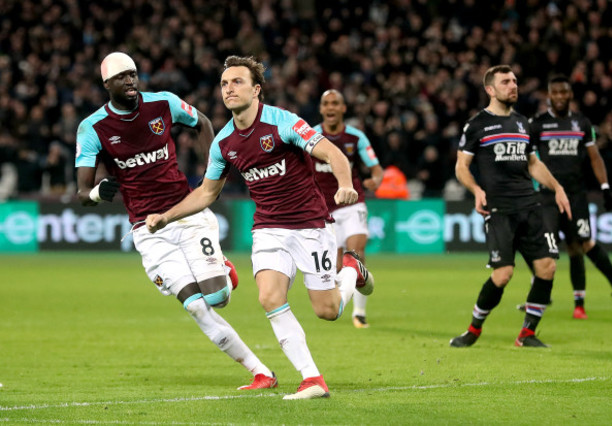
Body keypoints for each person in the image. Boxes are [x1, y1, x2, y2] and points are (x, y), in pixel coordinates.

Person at [145, 56, 374, 400]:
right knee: (269, 298)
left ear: (256, 89)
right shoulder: (223, 143)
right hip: (268, 228)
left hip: (311, 225)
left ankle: (351, 270)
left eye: (237, 82)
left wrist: (344, 183)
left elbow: (333, 154)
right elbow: (207, 192)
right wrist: (166, 216)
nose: (229, 89)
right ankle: (312, 379)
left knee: (326, 311)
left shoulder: (284, 123)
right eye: (224, 84)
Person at [75, 52, 277, 391]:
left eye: (134, 74)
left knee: (218, 298)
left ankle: (224, 270)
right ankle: (261, 372)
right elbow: (81, 191)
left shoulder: (164, 104)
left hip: (187, 214)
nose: (130, 81)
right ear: (106, 84)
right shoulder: (93, 127)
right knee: (196, 307)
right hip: (148, 229)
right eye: (122, 77)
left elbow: (203, 123)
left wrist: (215, 171)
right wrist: (96, 193)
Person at [450, 65, 571, 348]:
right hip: (500, 209)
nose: (513, 85)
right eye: (506, 82)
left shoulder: (522, 123)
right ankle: (474, 329)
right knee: (503, 274)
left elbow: (533, 163)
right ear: (490, 89)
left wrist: (557, 187)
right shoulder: (477, 125)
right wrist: (476, 189)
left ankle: (527, 333)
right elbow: (461, 166)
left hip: (530, 205)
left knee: (547, 268)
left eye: (515, 80)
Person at [529, 75, 612, 318]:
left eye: (565, 92)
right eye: (556, 92)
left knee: (580, 245)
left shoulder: (582, 123)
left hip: (576, 195)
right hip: (548, 195)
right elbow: (530, 159)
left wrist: (605, 186)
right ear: (549, 96)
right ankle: (540, 296)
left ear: (571, 94)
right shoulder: (538, 124)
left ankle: (605, 293)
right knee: (545, 246)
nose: (561, 97)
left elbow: (595, 157)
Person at [312, 89, 384, 328]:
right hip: (324, 209)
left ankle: (359, 313)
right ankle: (339, 303)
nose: (330, 108)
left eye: (335, 103)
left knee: (356, 254)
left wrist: (375, 180)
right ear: (321, 109)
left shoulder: (356, 137)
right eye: (326, 104)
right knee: (336, 265)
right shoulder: (310, 136)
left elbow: (376, 169)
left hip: (352, 202)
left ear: (343, 108)